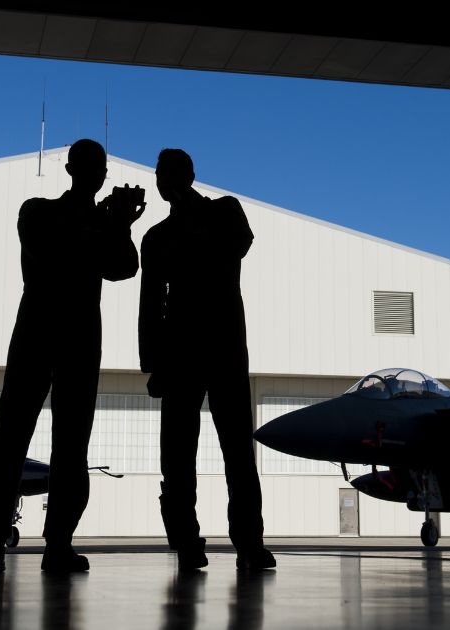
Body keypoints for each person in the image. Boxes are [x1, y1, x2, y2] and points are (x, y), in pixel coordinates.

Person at [0, 139, 145, 574]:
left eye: (99, 167)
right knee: (13, 436)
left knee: (70, 443)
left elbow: (125, 266)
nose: (95, 174)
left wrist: (120, 224)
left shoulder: (99, 223)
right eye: (90, 166)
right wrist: (105, 224)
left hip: (75, 339)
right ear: (71, 169)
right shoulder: (38, 210)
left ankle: (56, 543)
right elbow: (51, 247)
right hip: (41, 334)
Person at [139, 148, 275, 571]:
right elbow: (150, 305)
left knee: (237, 451)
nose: (164, 181)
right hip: (179, 356)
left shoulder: (225, 212)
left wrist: (188, 211)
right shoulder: (155, 238)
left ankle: (249, 542)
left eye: (171, 174)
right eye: (160, 175)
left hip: (225, 351)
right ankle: (186, 542)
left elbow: (238, 246)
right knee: (176, 456)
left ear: (191, 176)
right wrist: (152, 364)